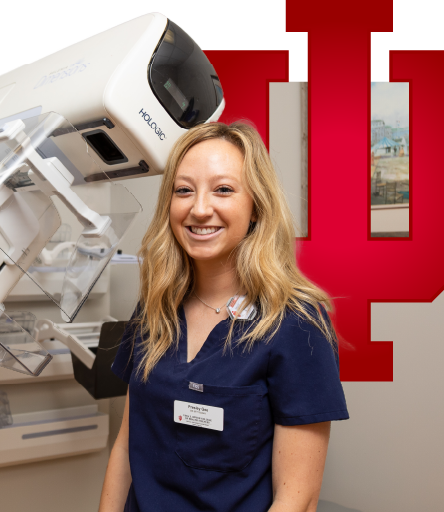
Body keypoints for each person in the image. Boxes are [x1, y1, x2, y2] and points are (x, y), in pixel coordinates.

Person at [99, 122, 348, 512]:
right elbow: (126, 446)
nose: (199, 209)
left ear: (255, 208)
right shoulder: (155, 308)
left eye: (223, 189)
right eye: (184, 190)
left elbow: (297, 498)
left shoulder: (296, 324)